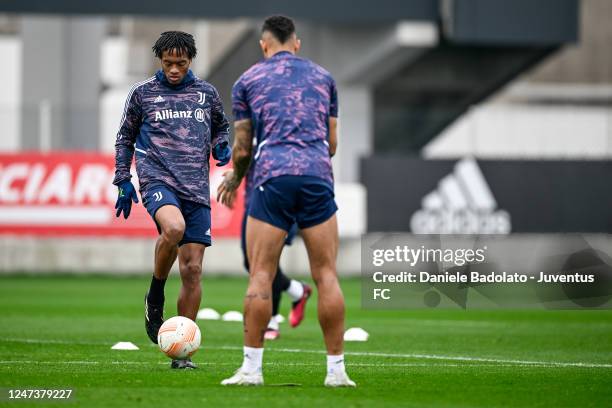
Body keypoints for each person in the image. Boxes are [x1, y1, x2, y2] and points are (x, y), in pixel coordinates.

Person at [217, 15, 355, 387]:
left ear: (264, 45)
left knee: (261, 273)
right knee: (326, 274)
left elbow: (243, 148)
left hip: (272, 178)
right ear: (297, 43)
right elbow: (332, 144)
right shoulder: (324, 78)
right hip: (315, 177)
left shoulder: (247, 81)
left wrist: (235, 176)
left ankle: (251, 370)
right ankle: (336, 372)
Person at [113, 31, 231, 370]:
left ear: (190, 60)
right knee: (174, 228)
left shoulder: (206, 94)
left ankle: (183, 353)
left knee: (193, 270)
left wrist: (221, 145)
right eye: (168, 64)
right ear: (160, 61)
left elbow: (220, 128)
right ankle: (156, 291)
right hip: (158, 179)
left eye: (180, 63)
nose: (175, 69)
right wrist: (122, 178)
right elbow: (124, 138)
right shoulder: (143, 94)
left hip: (196, 187)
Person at [240, 167, 311, 341]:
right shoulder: (256, 140)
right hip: (254, 203)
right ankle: (297, 290)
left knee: (268, 260)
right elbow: (244, 155)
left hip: (283, 200)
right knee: (251, 262)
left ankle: (271, 320)